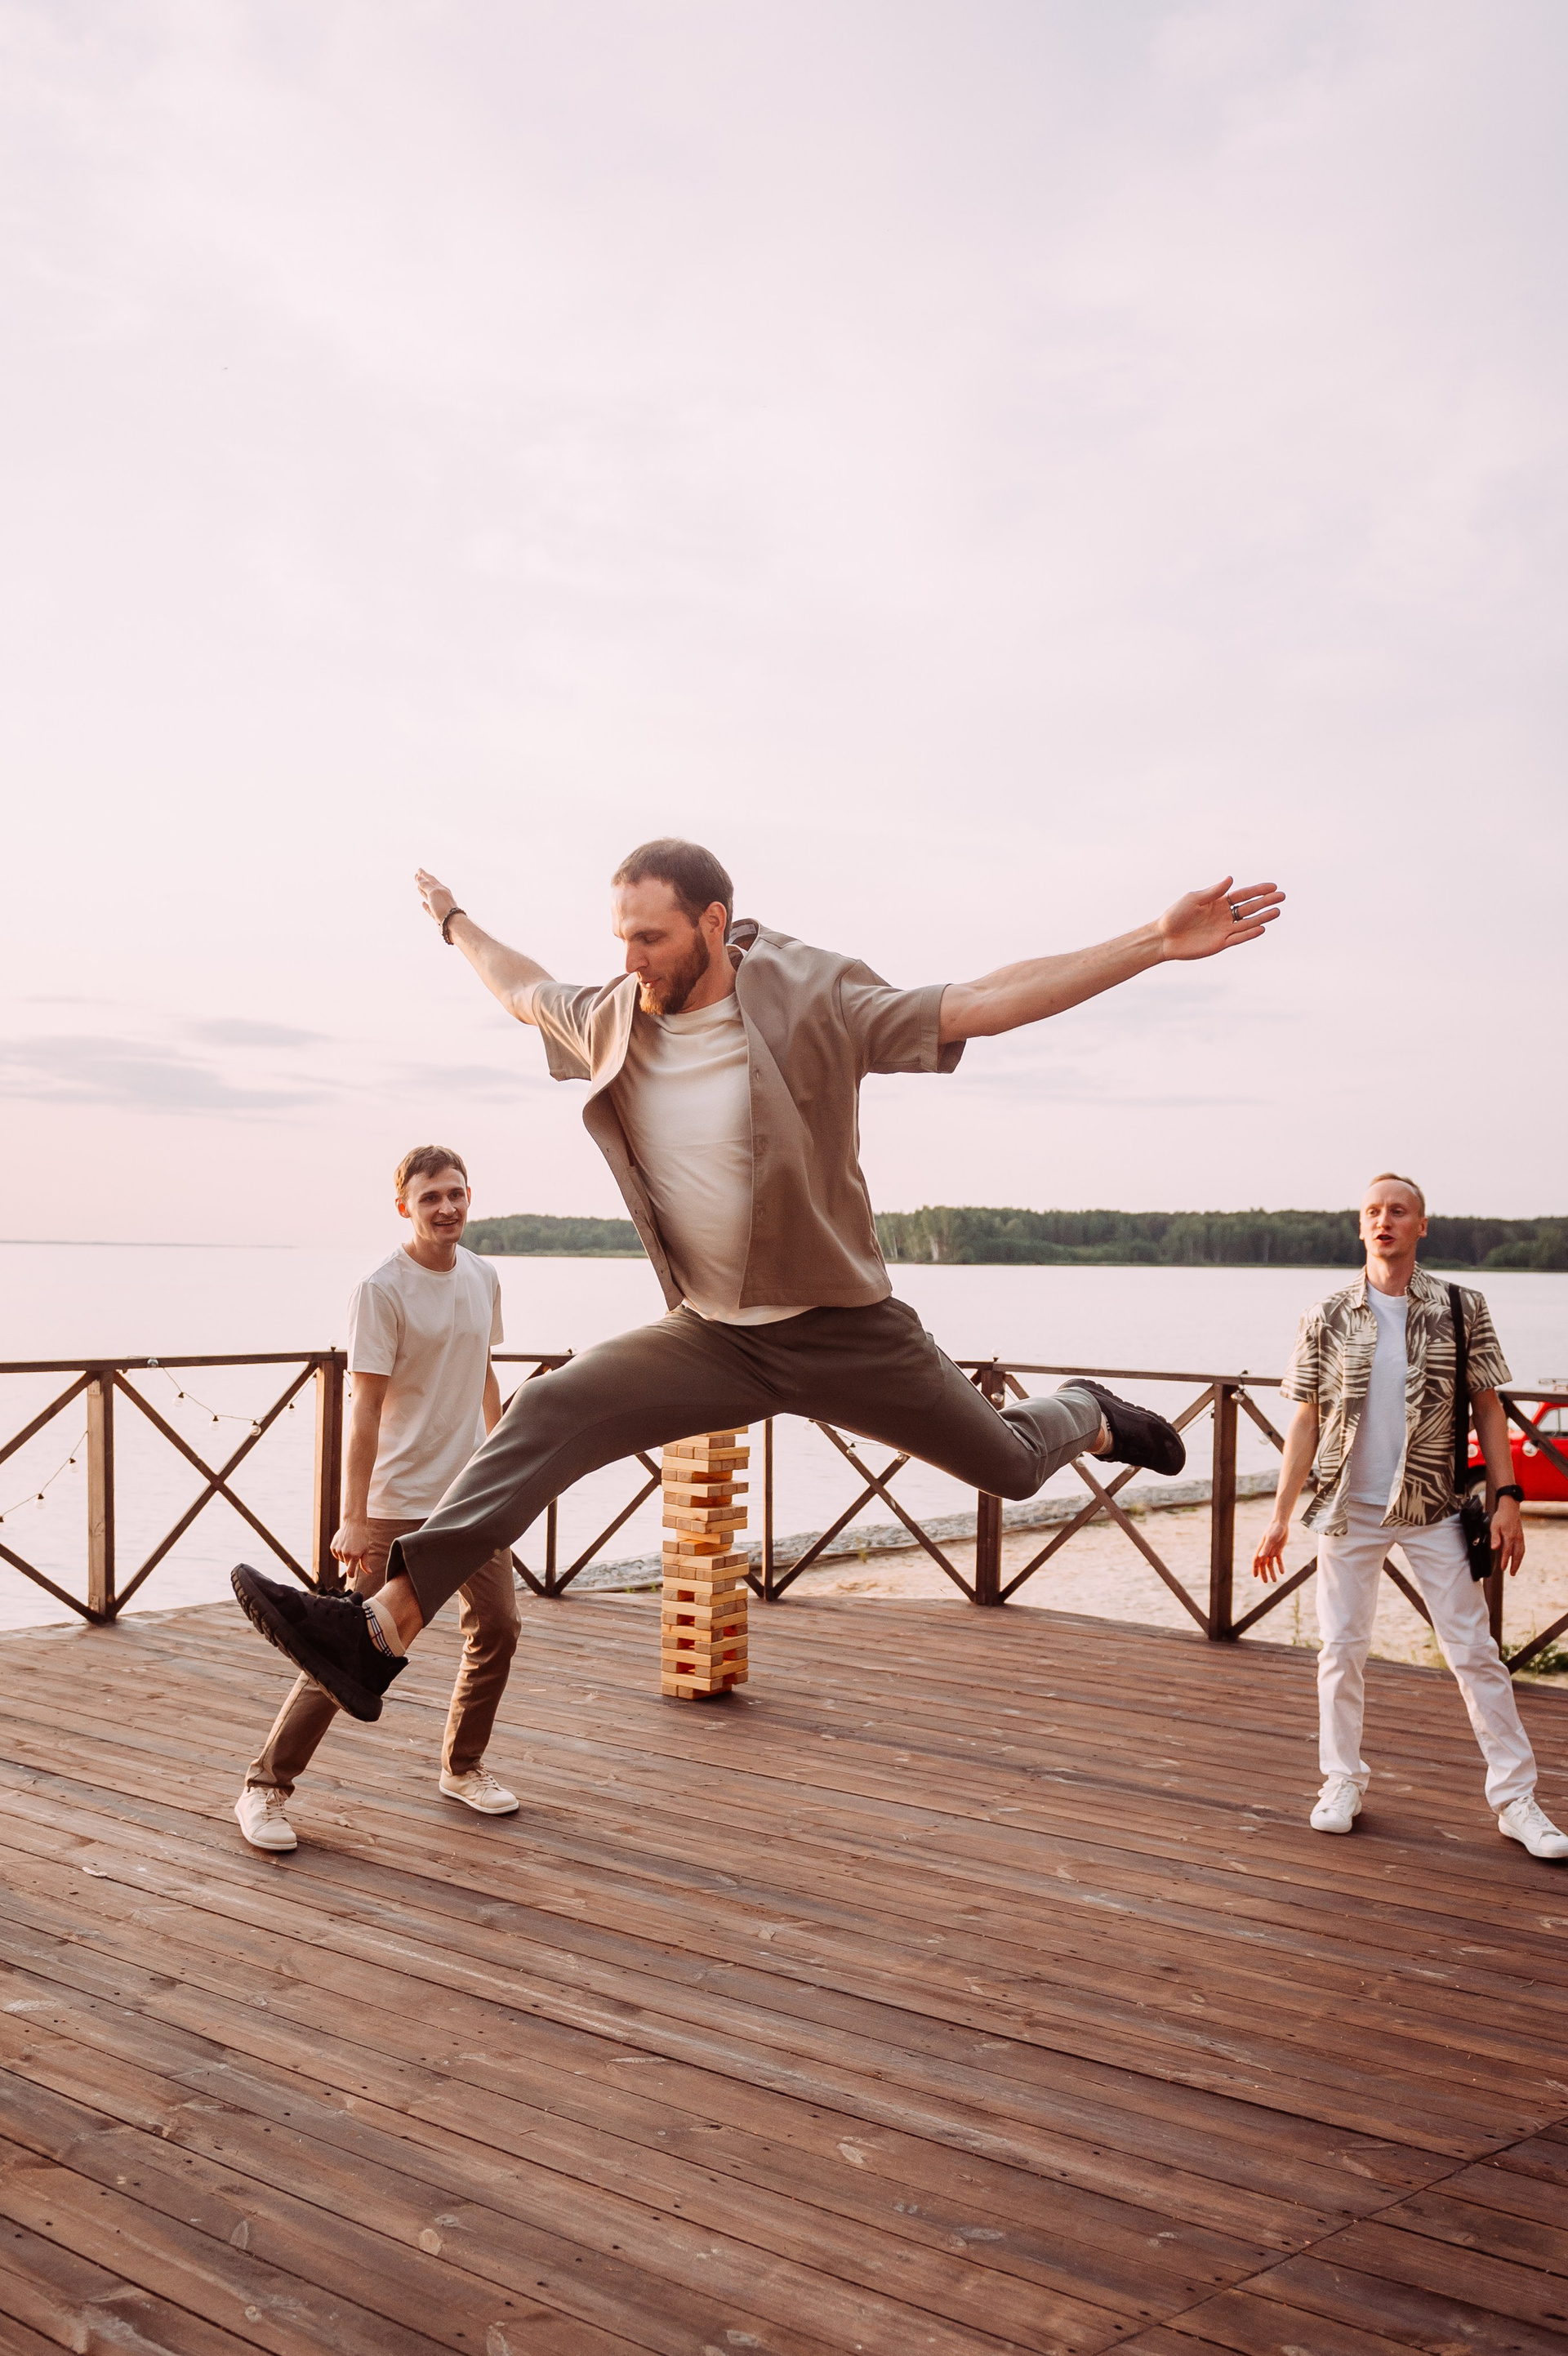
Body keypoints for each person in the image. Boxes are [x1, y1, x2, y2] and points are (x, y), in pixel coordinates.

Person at [233, 839, 1285, 1725]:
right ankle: (379, 1632)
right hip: (715, 1335)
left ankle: (1087, 1411)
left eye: (651, 937)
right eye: (620, 938)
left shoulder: (816, 997)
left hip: (846, 1327)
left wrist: (1154, 941)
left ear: (713, 921)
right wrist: (452, 920)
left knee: (1008, 1466)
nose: (631, 959)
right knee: (550, 1408)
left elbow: (977, 1002)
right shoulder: (615, 1014)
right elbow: (519, 989)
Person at [1254, 1172, 1567, 1860]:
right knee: (1340, 1650)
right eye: (1373, 1211)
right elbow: (1305, 1419)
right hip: (1348, 1509)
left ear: (1421, 1225)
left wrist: (1509, 1498)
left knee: (1474, 1651)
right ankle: (1342, 1780)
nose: (1384, 1220)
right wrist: (1279, 1515)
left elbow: (1488, 1407)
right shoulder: (1326, 1313)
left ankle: (1516, 1799)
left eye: (1398, 1210)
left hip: (1433, 1506)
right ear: (1360, 1225)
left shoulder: (1461, 1305)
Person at [233, 1146, 520, 1851]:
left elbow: (483, 1369)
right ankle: (265, 1786)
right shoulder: (381, 1289)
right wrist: (354, 1515)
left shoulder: (483, 1276)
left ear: (470, 1196)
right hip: (398, 1498)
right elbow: (363, 1408)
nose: (446, 1207)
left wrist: (502, 1464)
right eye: (430, 1197)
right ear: (404, 1207)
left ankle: (462, 1766)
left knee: (499, 1625)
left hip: (470, 1494)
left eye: (455, 1193)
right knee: (352, 1645)